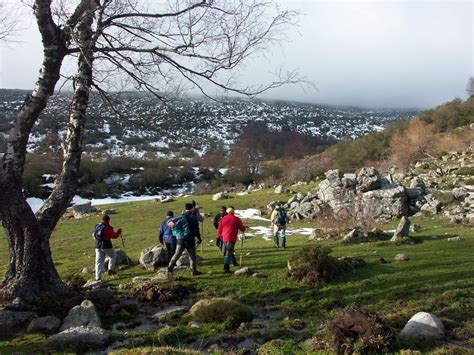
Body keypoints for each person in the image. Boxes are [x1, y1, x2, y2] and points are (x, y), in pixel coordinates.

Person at [167, 203, 203, 276]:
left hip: (180, 239)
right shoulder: (193, 218)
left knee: (177, 254)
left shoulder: (181, 217)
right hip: (190, 239)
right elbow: (196, 229)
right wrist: (199, 238)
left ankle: (170, 266)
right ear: (192, 208)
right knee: (192, 256)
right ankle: (193, 271)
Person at [217, 207, 246, 274]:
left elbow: (219, 229)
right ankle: (226, 268)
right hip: (231, 238)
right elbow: (242, 228)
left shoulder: (223, 219)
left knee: (229, 251)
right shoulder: (236, 219)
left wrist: (218, 237)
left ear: (227, 212)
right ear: (233, 212)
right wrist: (244, 227)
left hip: (224, 238)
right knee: (228, 253)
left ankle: (234, 263)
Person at [94, 214, 122, 281]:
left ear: (102, 219)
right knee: (113, 255)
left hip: (97, 246)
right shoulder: (107, 227)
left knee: (99, 261)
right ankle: (111, 270)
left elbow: (93, 235)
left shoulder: (97, 226)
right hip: (106, 245)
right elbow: (114, 236)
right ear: (108, 220)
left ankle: (97, 277)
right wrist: (118, 232)